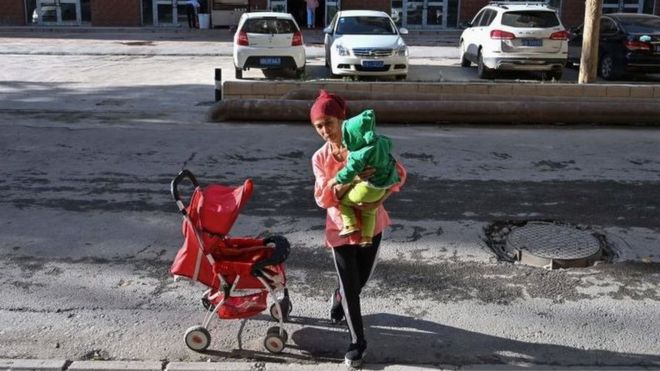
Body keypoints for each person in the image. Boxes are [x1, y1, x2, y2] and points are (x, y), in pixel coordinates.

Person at [310, 90, 406, 367]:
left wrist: (380, 190)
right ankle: (357, 343)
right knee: (351, 287)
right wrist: (351, 182)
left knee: (358, 283)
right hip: (339, 230)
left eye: (329, 122)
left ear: (342, 119)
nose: (325, 130)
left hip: (372, 226)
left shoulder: (367, 144)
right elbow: (323, 197)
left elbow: (398, 173)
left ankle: (338, 295)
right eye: (319, 126)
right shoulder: (320, 158)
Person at [327, 109, 400, 247]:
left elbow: (349, 172)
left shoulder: (358, 154)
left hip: (368, 188)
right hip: (384, 186)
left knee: (344, 202)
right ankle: (367, 237)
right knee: (370, 211)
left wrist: (334, 180)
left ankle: (350, 225)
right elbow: (390, 144)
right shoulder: (382, 142)